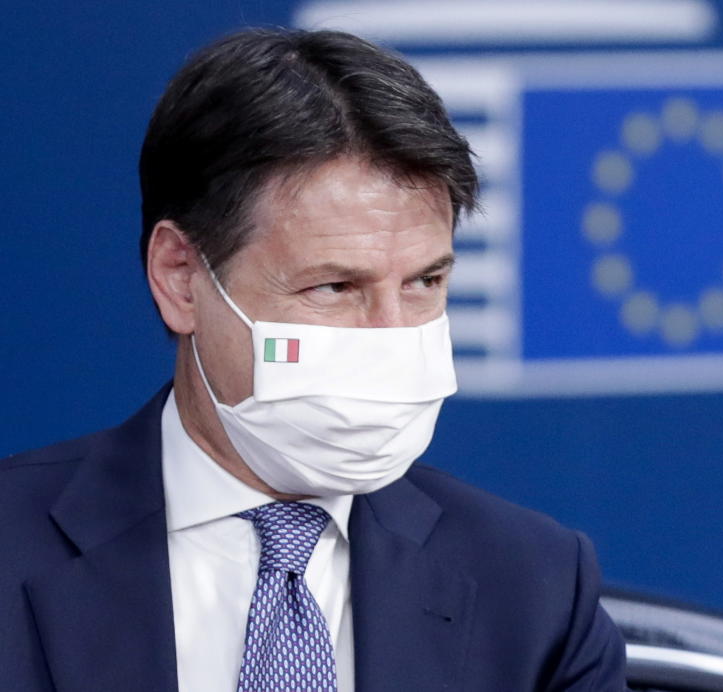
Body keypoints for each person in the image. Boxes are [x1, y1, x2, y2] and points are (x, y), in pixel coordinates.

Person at [0, 28, 626, 692]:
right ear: (181, 277)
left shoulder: (535, 591)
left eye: (423, 283)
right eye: (334, 287)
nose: (390, 339)